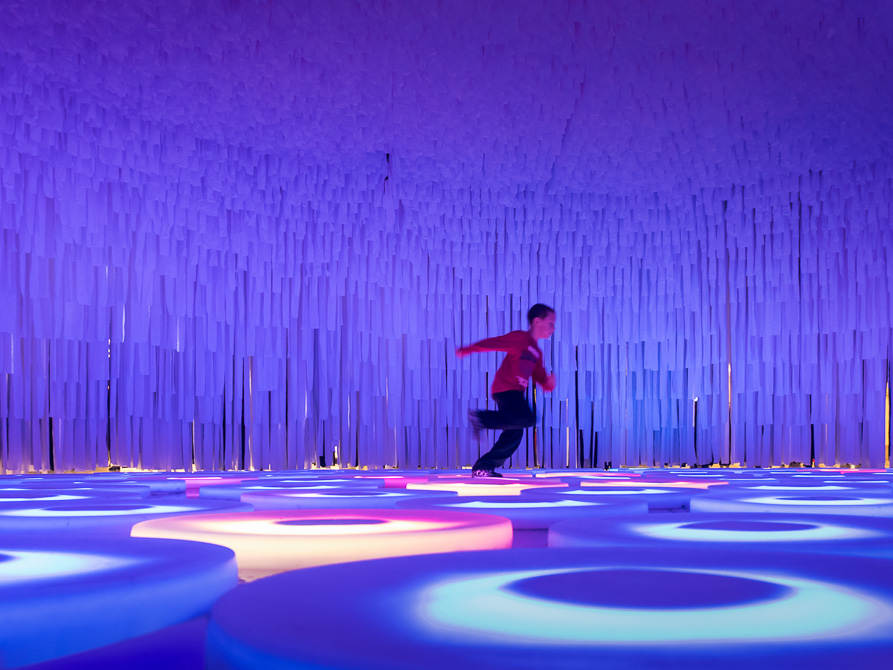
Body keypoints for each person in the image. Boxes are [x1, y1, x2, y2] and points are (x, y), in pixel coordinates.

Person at [456, 304, 557, 477]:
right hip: (505, 389)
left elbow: (540, 378)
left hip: (515, 393)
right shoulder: (520, 339)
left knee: (515, 432)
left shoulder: (536, 352)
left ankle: (483, 467)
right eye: (551, 323)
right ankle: (481, 418)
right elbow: (493, 343)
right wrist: (468, 349)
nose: (553, 328)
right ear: (537, 321)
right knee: (527, 418)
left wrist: (549, 383)